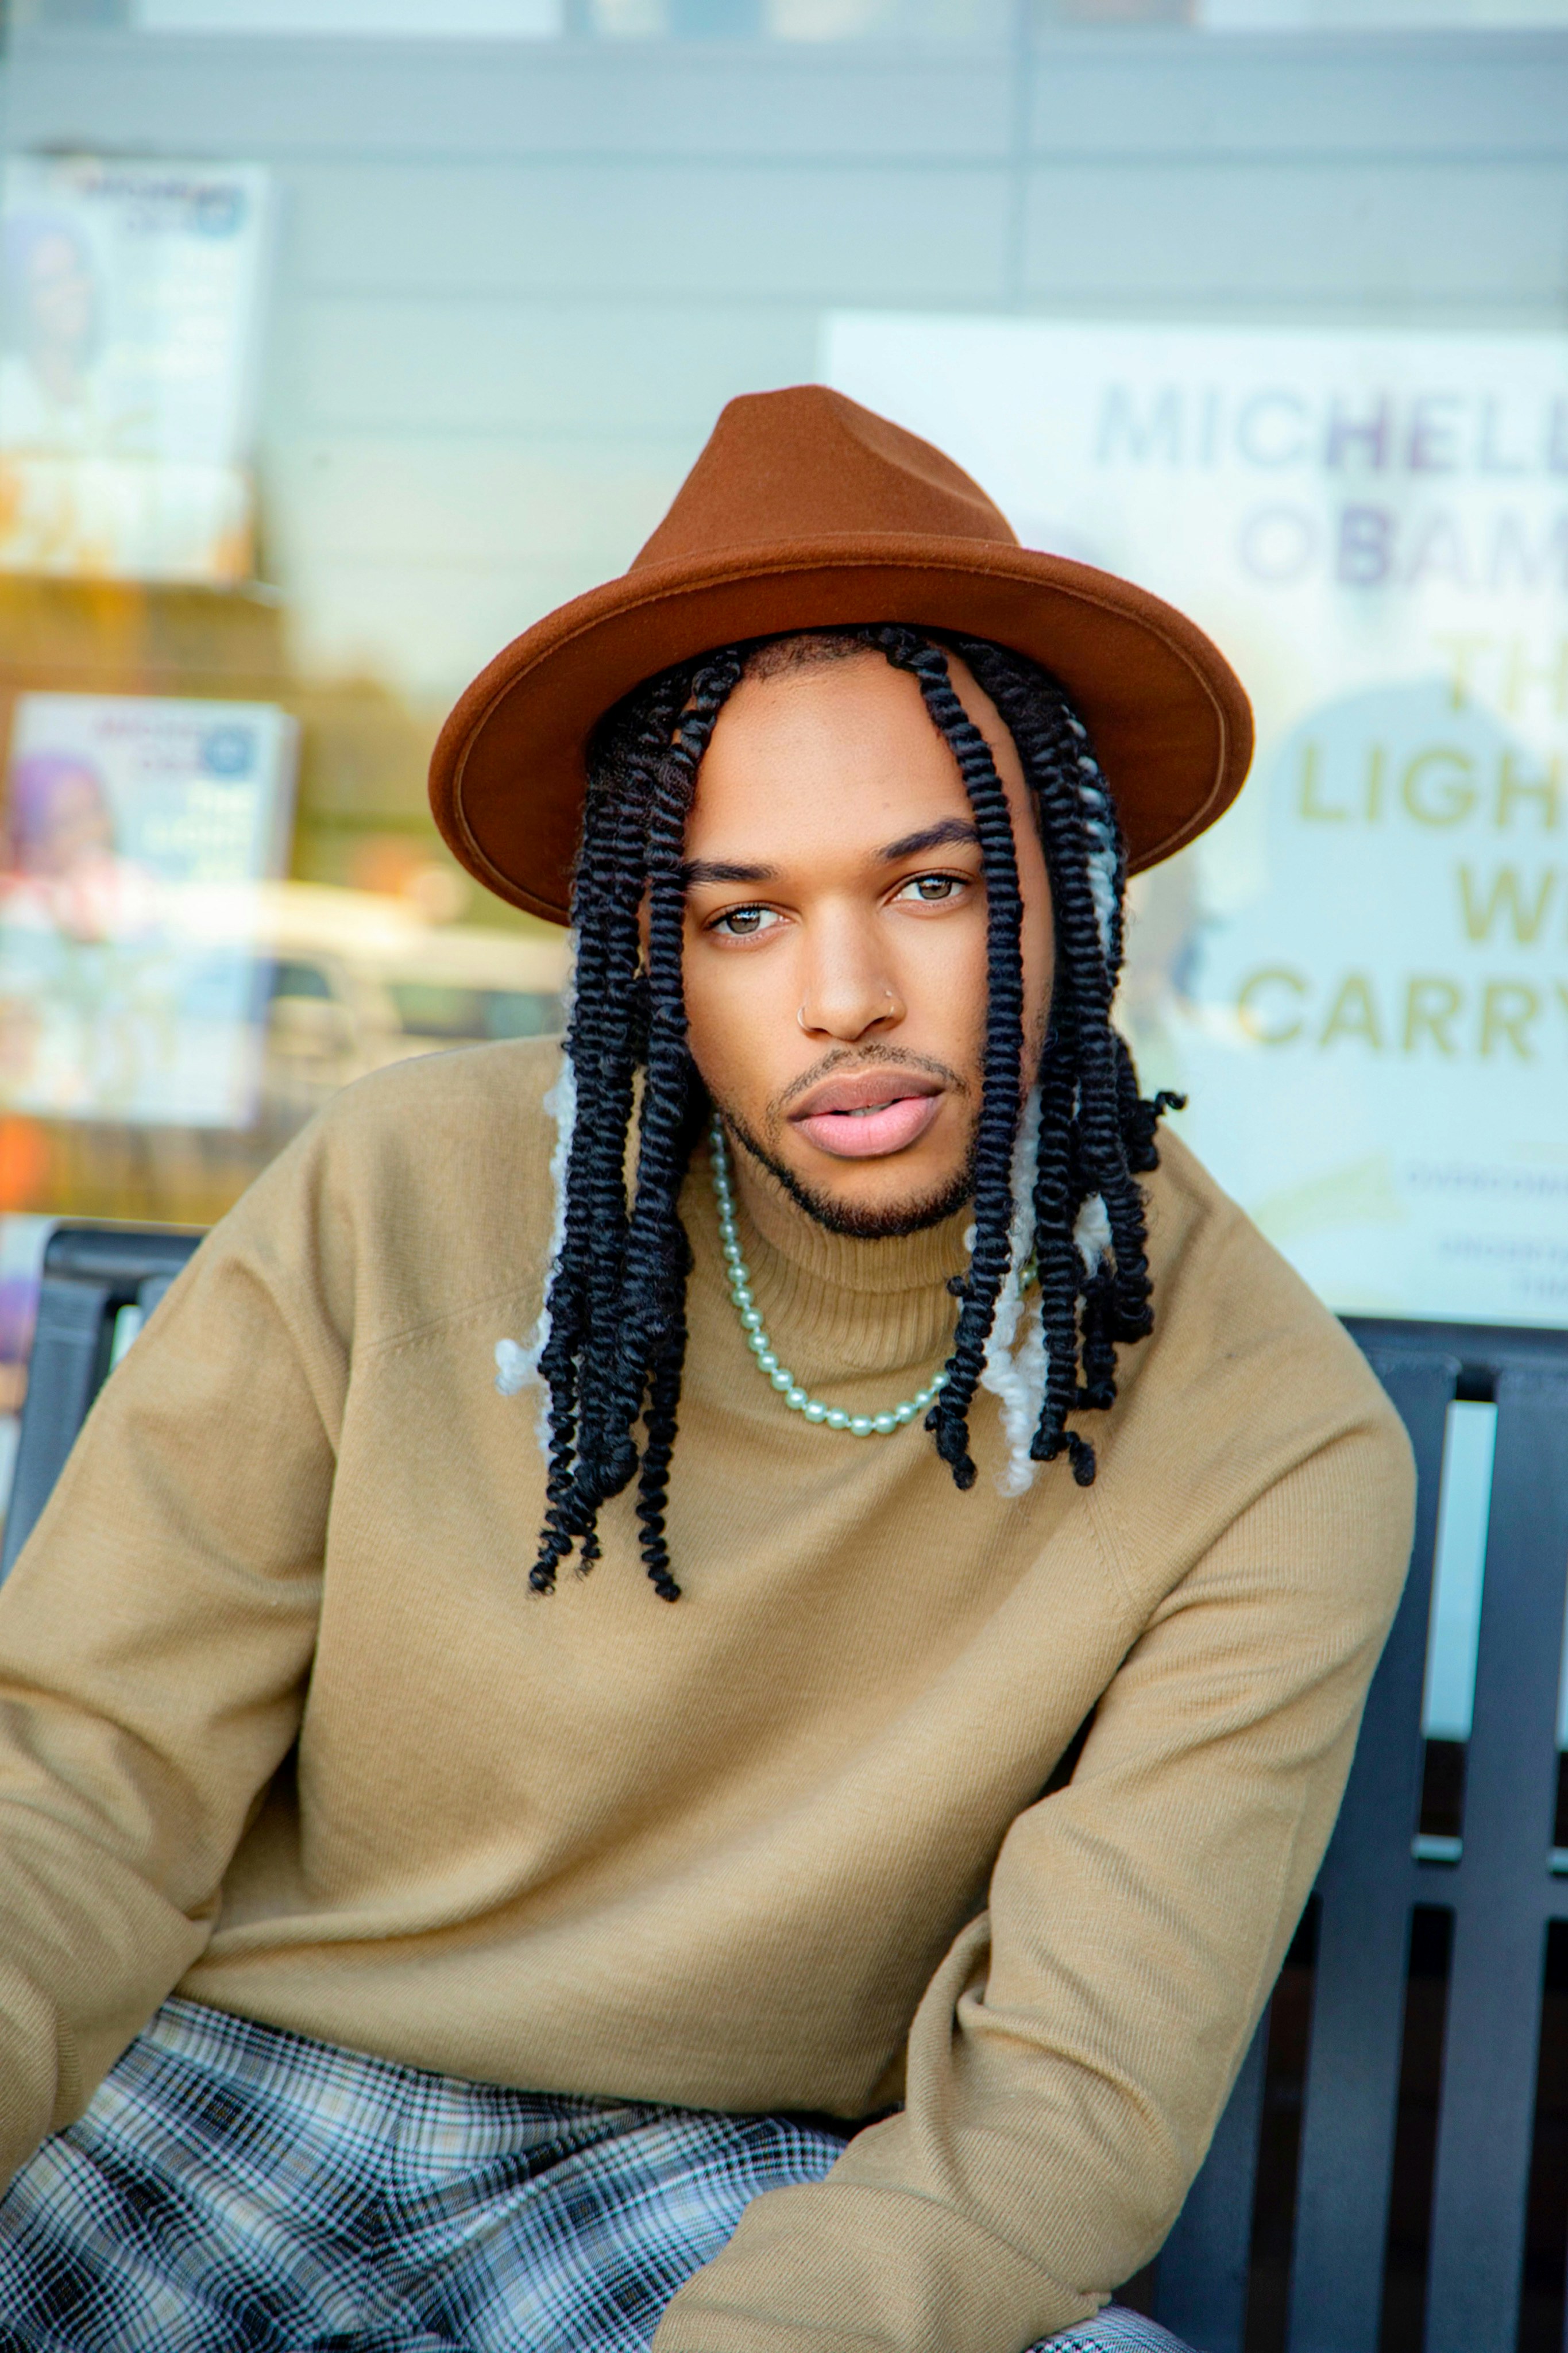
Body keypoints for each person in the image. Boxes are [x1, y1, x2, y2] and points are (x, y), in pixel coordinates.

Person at [0, 387, 1413, 2353]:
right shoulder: (403, 1191)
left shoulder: (1269, 1432)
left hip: (711, 2185)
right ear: (650, 958)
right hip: (211, 2086)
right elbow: (79, 1794)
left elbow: (1055, 2110)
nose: (844, 996)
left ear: (1067, 885)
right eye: (743, 916)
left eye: (931, 885)